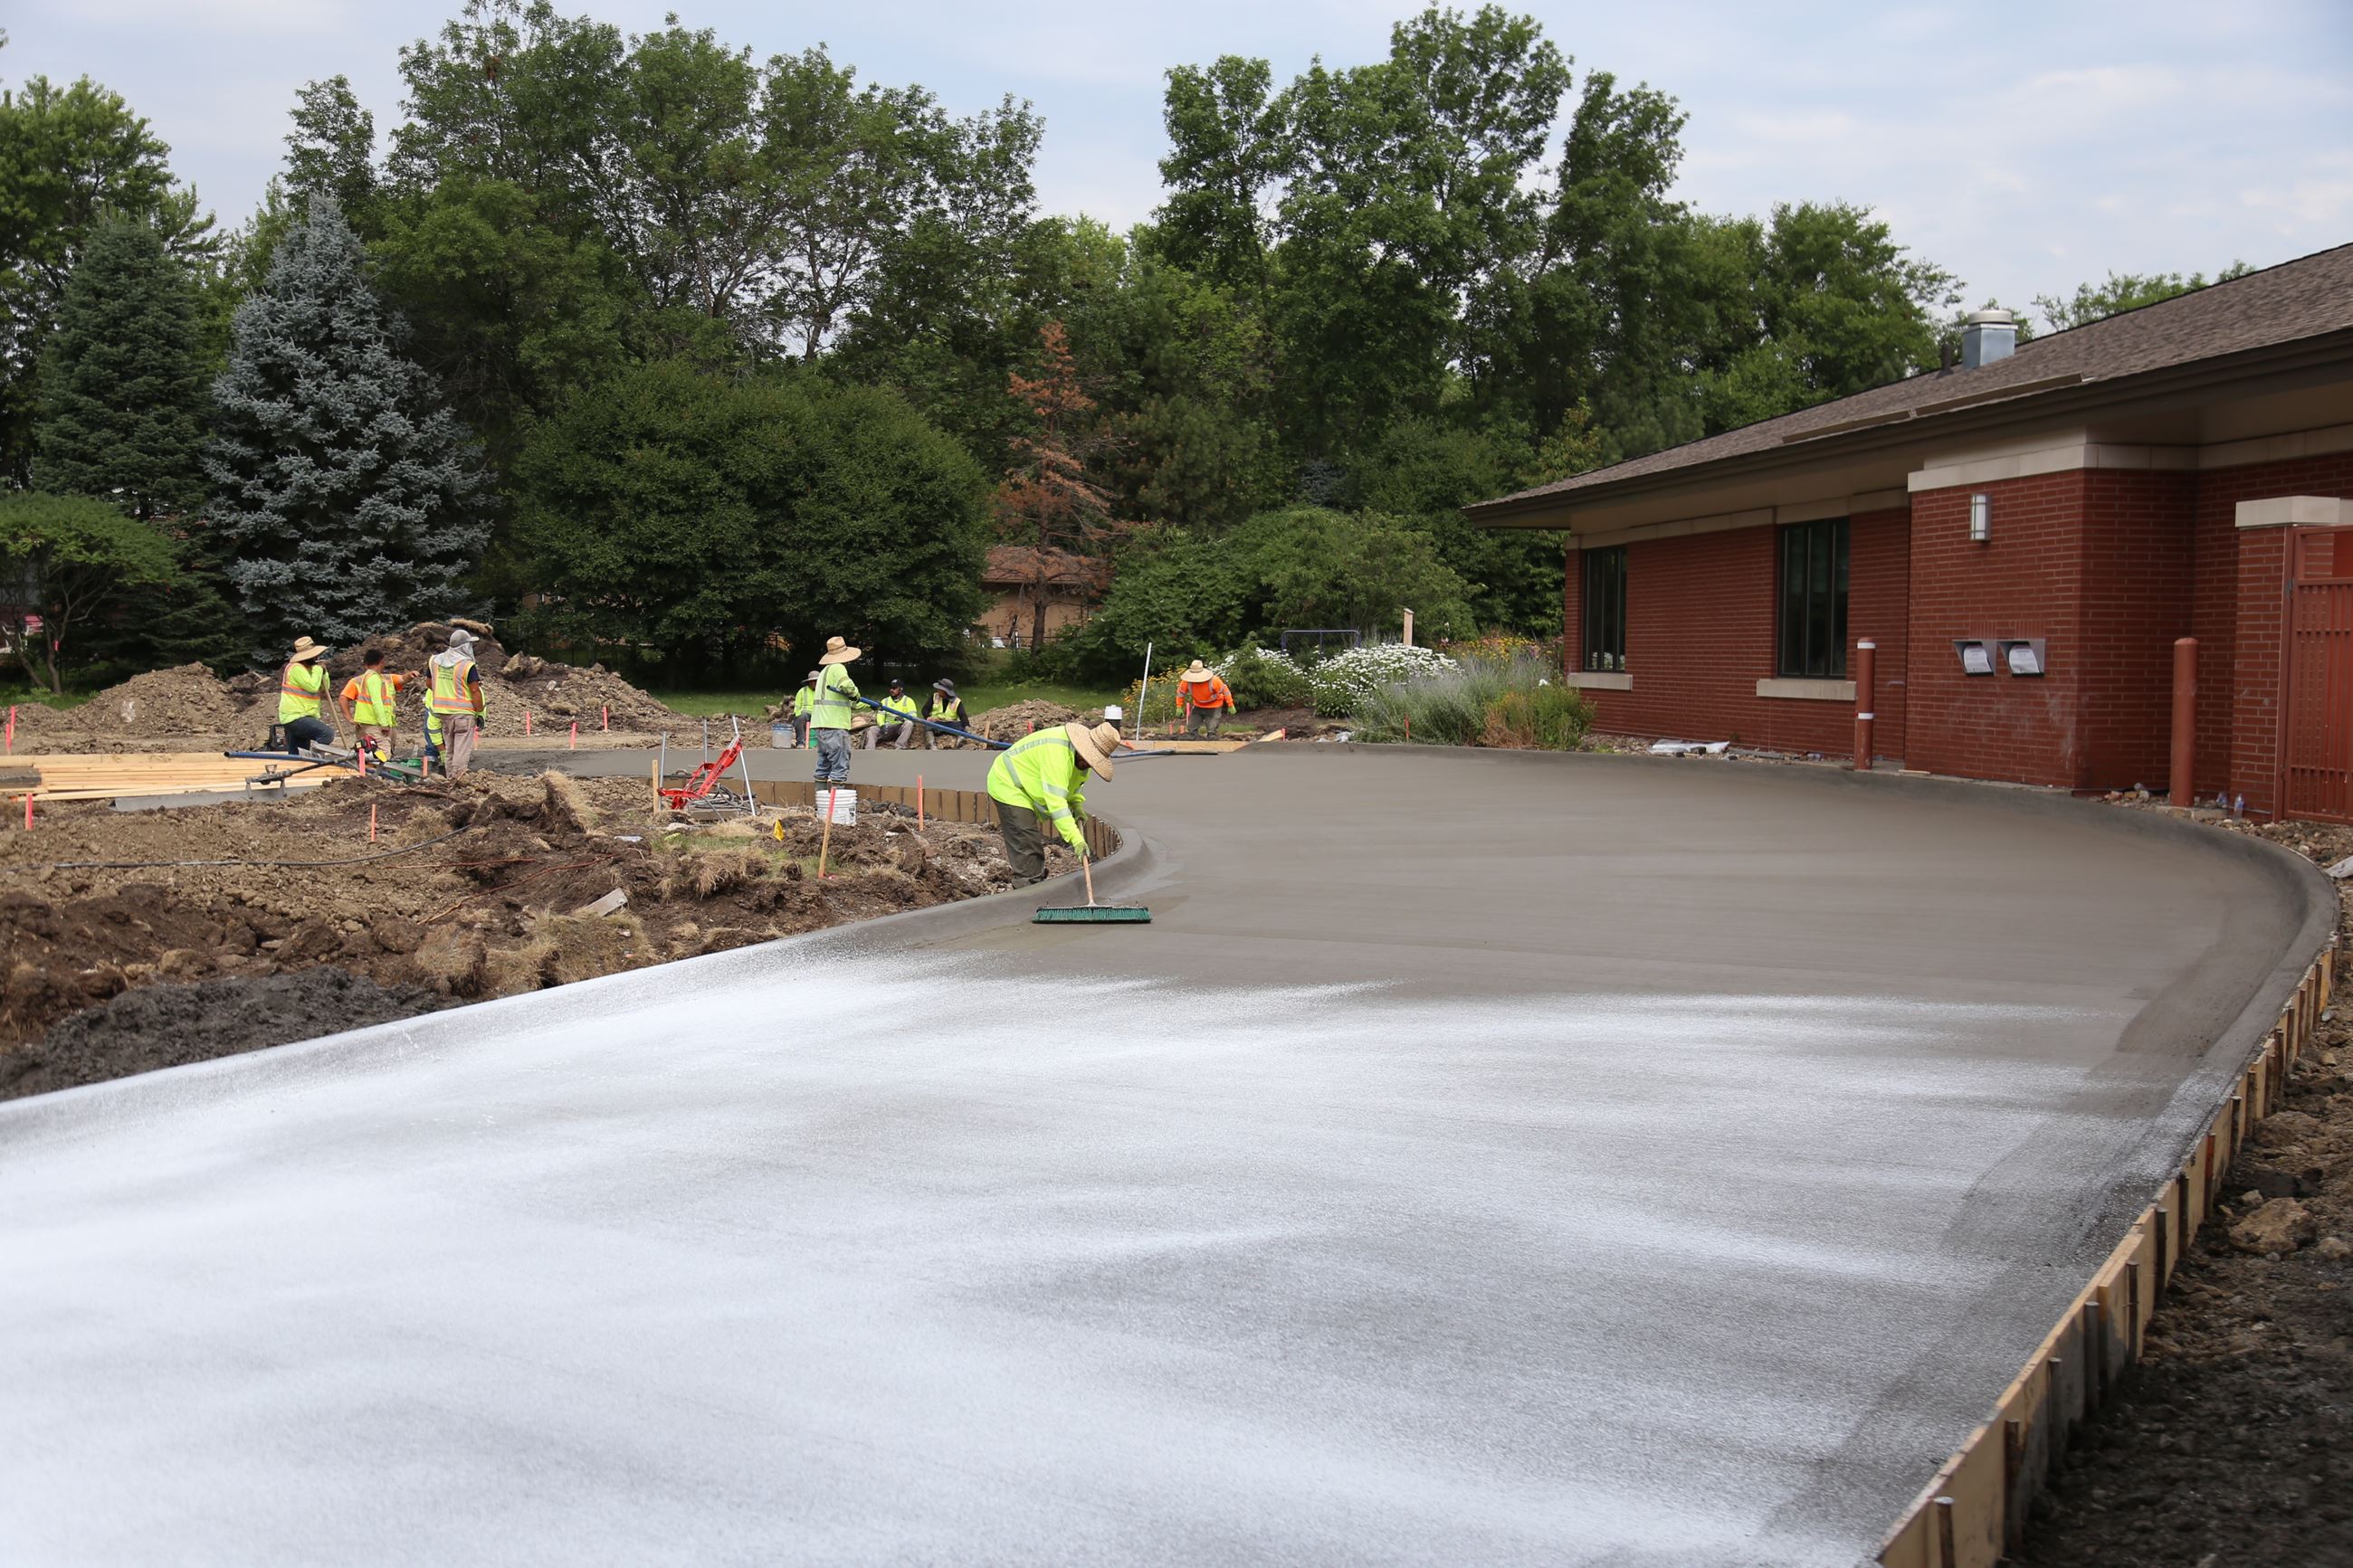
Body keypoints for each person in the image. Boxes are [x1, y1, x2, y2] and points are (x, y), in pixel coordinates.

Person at [986, 720, 1120, 887]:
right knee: (1026, 841)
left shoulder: (1081, 760)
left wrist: (1077, 804)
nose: (1089, 765)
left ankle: (1036, 883)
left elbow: (1073, 785)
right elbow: (1056, 804)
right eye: (1090, 759)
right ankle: (1027, 892)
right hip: (1008, 782)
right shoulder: (1058, 754)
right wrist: (1076, 840)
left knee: (1030, 843)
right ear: (1083, 748)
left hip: (1026, 785)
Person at [426, 628, 487, 777]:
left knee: (450, 750)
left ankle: (449, 779)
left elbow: (429, 683)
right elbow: (475, 691)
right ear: (465, 646)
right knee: (461, 749)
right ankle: (458, 780)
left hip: (443, 713)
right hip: (463, 714)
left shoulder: (435, 660)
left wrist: (446, 687)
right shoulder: (467, 665)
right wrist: (479, 713)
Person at [338, 647, 413, 763]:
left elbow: (403, 679)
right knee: (383, 755)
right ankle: (376, 777)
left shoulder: (374, 678)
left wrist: (411, 675)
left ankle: (368, 776)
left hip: (369, 723)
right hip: (375, 724)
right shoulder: (373, 679)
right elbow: (377, 702)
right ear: (382, 661)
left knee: (369, 751)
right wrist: (383, 723)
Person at [808, 635, 861, 788]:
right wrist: (856, 695)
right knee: (839, 768)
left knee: (823, 767)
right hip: (836, 727)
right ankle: (837, 806)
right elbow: (848, 687)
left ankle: (821, 803)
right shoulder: (838, 668)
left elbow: (837, 698)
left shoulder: (824, 671)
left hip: (822, 727)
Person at [275, 636, 336, 753]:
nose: (317, 658)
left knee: (298, 752)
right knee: (326, 734)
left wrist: (324, 672)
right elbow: (312, 687)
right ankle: (315, 760)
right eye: (314, 655)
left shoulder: (311, 669)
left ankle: (296, 766)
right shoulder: (296, 668)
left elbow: (325, 687)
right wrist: (318, 670)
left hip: (303, 715)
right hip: (295, 716)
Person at [1176, 659, 1235, 737]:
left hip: (1214, 706)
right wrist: (1179, 706)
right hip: (1198, 705)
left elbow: (1226, 691)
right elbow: (1180, 693)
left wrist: (1230, 705)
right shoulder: (1187, 682)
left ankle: (1212, 742)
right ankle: (1194, 743)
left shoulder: (1214, 681)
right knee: (1192, 729)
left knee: (1212, 731)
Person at [865, 678, 919, 749]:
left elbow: (913, 716)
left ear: (901, 689)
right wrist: (882, 725)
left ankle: (900, 746)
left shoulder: (909, 701)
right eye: (890, 688)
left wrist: (904, 719)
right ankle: (869, 750)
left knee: (909, 724)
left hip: (899, 728)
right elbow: (880, 715)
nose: (891, 690)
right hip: (887, 728)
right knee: (872, 729)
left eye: (894, 688)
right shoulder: (885, 701)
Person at [923, 679, 967, 748]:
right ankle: (931, 744)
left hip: (951, 724)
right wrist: (928, 717)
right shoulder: (934, 696)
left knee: (961, 726)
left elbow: (963, 715)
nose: (938, 690)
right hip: (936, 722)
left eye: (940, 689)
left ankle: (961, 741)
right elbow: (925, 709)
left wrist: (966, 725)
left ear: (945, 691)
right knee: (928, 725)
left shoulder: (956, 701)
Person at [790, 670, 818, 747]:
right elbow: (797, 708)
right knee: (800, 718)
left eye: (817, 681)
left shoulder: (823, 692)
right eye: (813, 681)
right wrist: (798, 715)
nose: (815, 683)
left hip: (819, 714)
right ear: (809, 682)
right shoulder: (802, 691)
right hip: (805, 714)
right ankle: (800, 742)